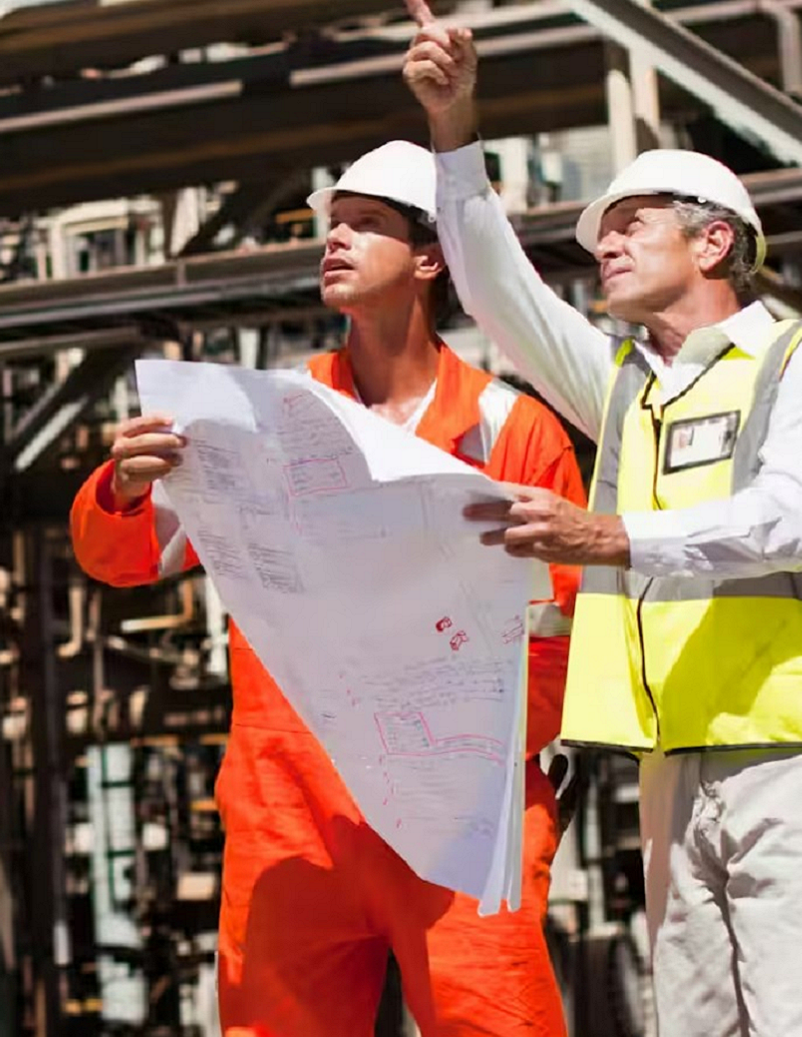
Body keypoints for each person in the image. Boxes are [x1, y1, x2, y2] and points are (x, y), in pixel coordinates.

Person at [402, 5, 802, 1035]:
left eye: (633, 222)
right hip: (673, 763)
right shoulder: (634, 386)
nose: (608, 245)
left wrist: (610, 538)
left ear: (714, 238)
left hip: (798, 757)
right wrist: (455, 129)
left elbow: (793, 520)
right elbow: (505, 298)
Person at [71, 139, 585, 1035]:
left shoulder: (511, 427)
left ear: (430, 257)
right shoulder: (262, 417)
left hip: (458, 806)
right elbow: (125, 557)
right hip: (294, 809)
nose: (336, 239)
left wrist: (487, 751)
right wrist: (121, 487)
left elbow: (563, 625)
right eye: (332, 223)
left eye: (367, 223)